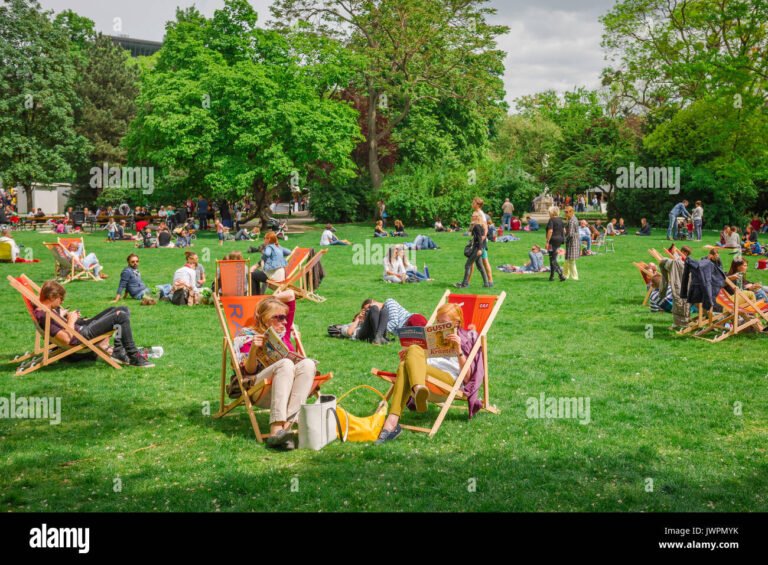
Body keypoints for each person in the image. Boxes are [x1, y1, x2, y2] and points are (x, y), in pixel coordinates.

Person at [375, 302, 484, 443]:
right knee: (410, 355)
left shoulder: (468, 338)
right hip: (424, 376)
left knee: (404, 366)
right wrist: (409, 356)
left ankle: (391, 422)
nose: (438, 325)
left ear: (456, 323)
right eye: (437, 321)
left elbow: (469, 378)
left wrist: (459, 350)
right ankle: (416, 392)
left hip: (447, 381)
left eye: (444, 323)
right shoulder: (432, 334)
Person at [233, 289, 317, 450]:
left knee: (308, 364)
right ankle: (275, 430)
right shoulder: (248, 336)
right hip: (261, 390)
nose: (284, 322)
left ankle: (288, 428)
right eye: (277, 318)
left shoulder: (284, 333)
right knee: (285, 364)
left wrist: (268, 300)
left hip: (288, 388)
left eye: (284, 317)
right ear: (264, 319)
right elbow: (249, 372)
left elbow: (290, 295)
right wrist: (253, 351)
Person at [35, 280, 153, 367]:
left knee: (123, 309)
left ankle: (119, 350)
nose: (62, 301)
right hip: (80, 336)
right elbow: (66, 340)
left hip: (81, 329)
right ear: (51, 296)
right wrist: (71, 320)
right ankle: (133, 356)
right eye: (61, 298)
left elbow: (58, 327)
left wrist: (64, 315)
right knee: (121, 316)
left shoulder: (44, 311)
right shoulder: (44, 316)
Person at [357, 298, 427, 345]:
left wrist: (380, 331)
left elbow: (394, 322)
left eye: (370, 307)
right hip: (405, 330)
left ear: (373, 302)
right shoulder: (381, 316)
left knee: (427, 335)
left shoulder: (389, 302)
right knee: (421, 342)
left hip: (411, 319)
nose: (370, 309)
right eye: (368, 310)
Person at [455, 209, 491, 288]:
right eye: (472, 215)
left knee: (467, 265)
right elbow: (471, 232)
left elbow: (480, 239)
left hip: (477, 248)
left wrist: (480, 249)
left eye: (473, 216)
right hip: (478, 248)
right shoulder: (477, 225)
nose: (472, 217)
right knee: (480, 267)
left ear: (477, 217)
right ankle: (486, 284)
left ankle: (464, 284)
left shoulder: (477, 227)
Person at [545, 206, 566, 282]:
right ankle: (552, 276)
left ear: (552, 212)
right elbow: (564, 231)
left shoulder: (551, 220)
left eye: (549, 212)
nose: (548, 213)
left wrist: (547, 241)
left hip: (552, 241)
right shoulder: (560, 220)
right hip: (559, 240)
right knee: (552, 257)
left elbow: (550, 231)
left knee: (553, 258)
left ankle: (561, 274)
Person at [563, 206, 580, 281]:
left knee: (571, 261)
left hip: (572, 243)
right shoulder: (573, 218)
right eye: (565, 212)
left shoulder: (572, 221)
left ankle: (575, 277)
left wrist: (564, 239)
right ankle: (565, 275)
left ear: (571, 212)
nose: (565, 213)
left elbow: (570, 234)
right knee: (567, 259)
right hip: (573, 242)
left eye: (567, 212)